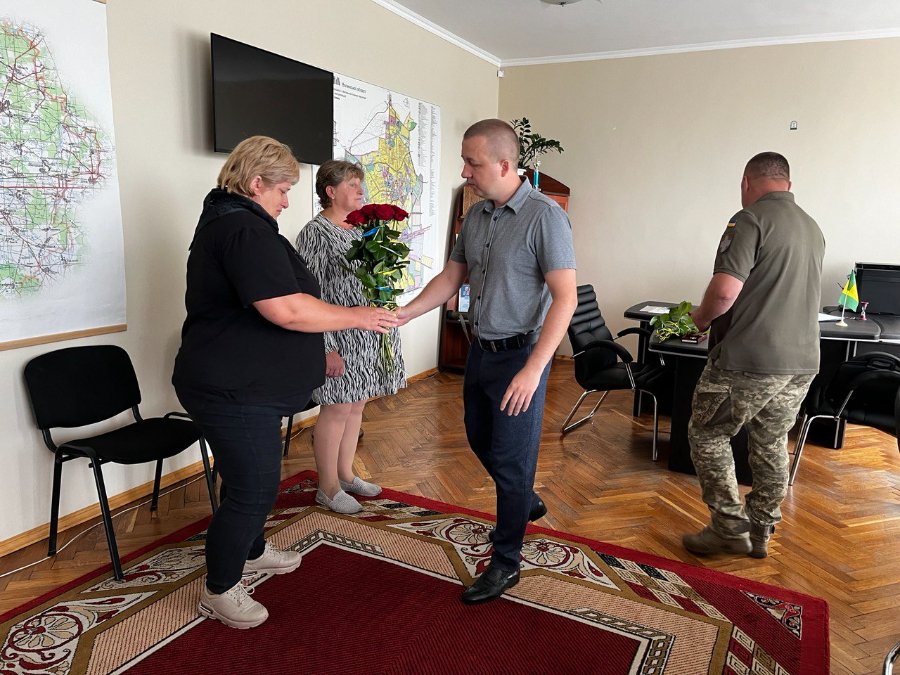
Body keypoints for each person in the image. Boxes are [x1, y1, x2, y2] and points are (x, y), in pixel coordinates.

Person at [172, 136, 398, 629]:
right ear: (257, 183)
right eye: (283, 190)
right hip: (230, 386)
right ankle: (219, 588)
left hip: (244, 383)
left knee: (248, 475)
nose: (287, 201)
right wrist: (357, 316)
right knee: (254, 487)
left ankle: (251, 551)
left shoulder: (238, 223)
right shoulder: (240, 229)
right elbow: (286, 309)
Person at [397, 119, 577, 604]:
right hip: (481, 351)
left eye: (471, 163)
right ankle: (524, 501)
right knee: (479, 438)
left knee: (513, 462)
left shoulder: (545, 217)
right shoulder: (476, 216)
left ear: (503, 164)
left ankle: (506, 562)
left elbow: (566, 298)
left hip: (522, 356)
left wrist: (534, 369)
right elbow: (451, 276)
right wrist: (406, 313)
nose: (465, 172)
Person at [683, 152, 824, 559]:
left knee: (707, 433)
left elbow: (725, 291)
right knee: (772, 441)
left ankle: (728, 526)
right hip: (802, 362)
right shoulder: (812, 227)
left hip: (750, 359)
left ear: (746, 182)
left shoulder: (749, 220)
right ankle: (762, 529)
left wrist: (699, 320)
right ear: (788, 184)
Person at [295, 160, 406, 514]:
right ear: (330, 191)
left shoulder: (361, 230)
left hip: (366, 334)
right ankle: (327, 487)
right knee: (337, 407)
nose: (361, 191)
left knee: (357, 403)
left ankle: (345, 474)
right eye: (353, 185)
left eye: (361, 184)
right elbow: (308, 293)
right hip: (338, 337)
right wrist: (325, 346)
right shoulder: (315, 233)